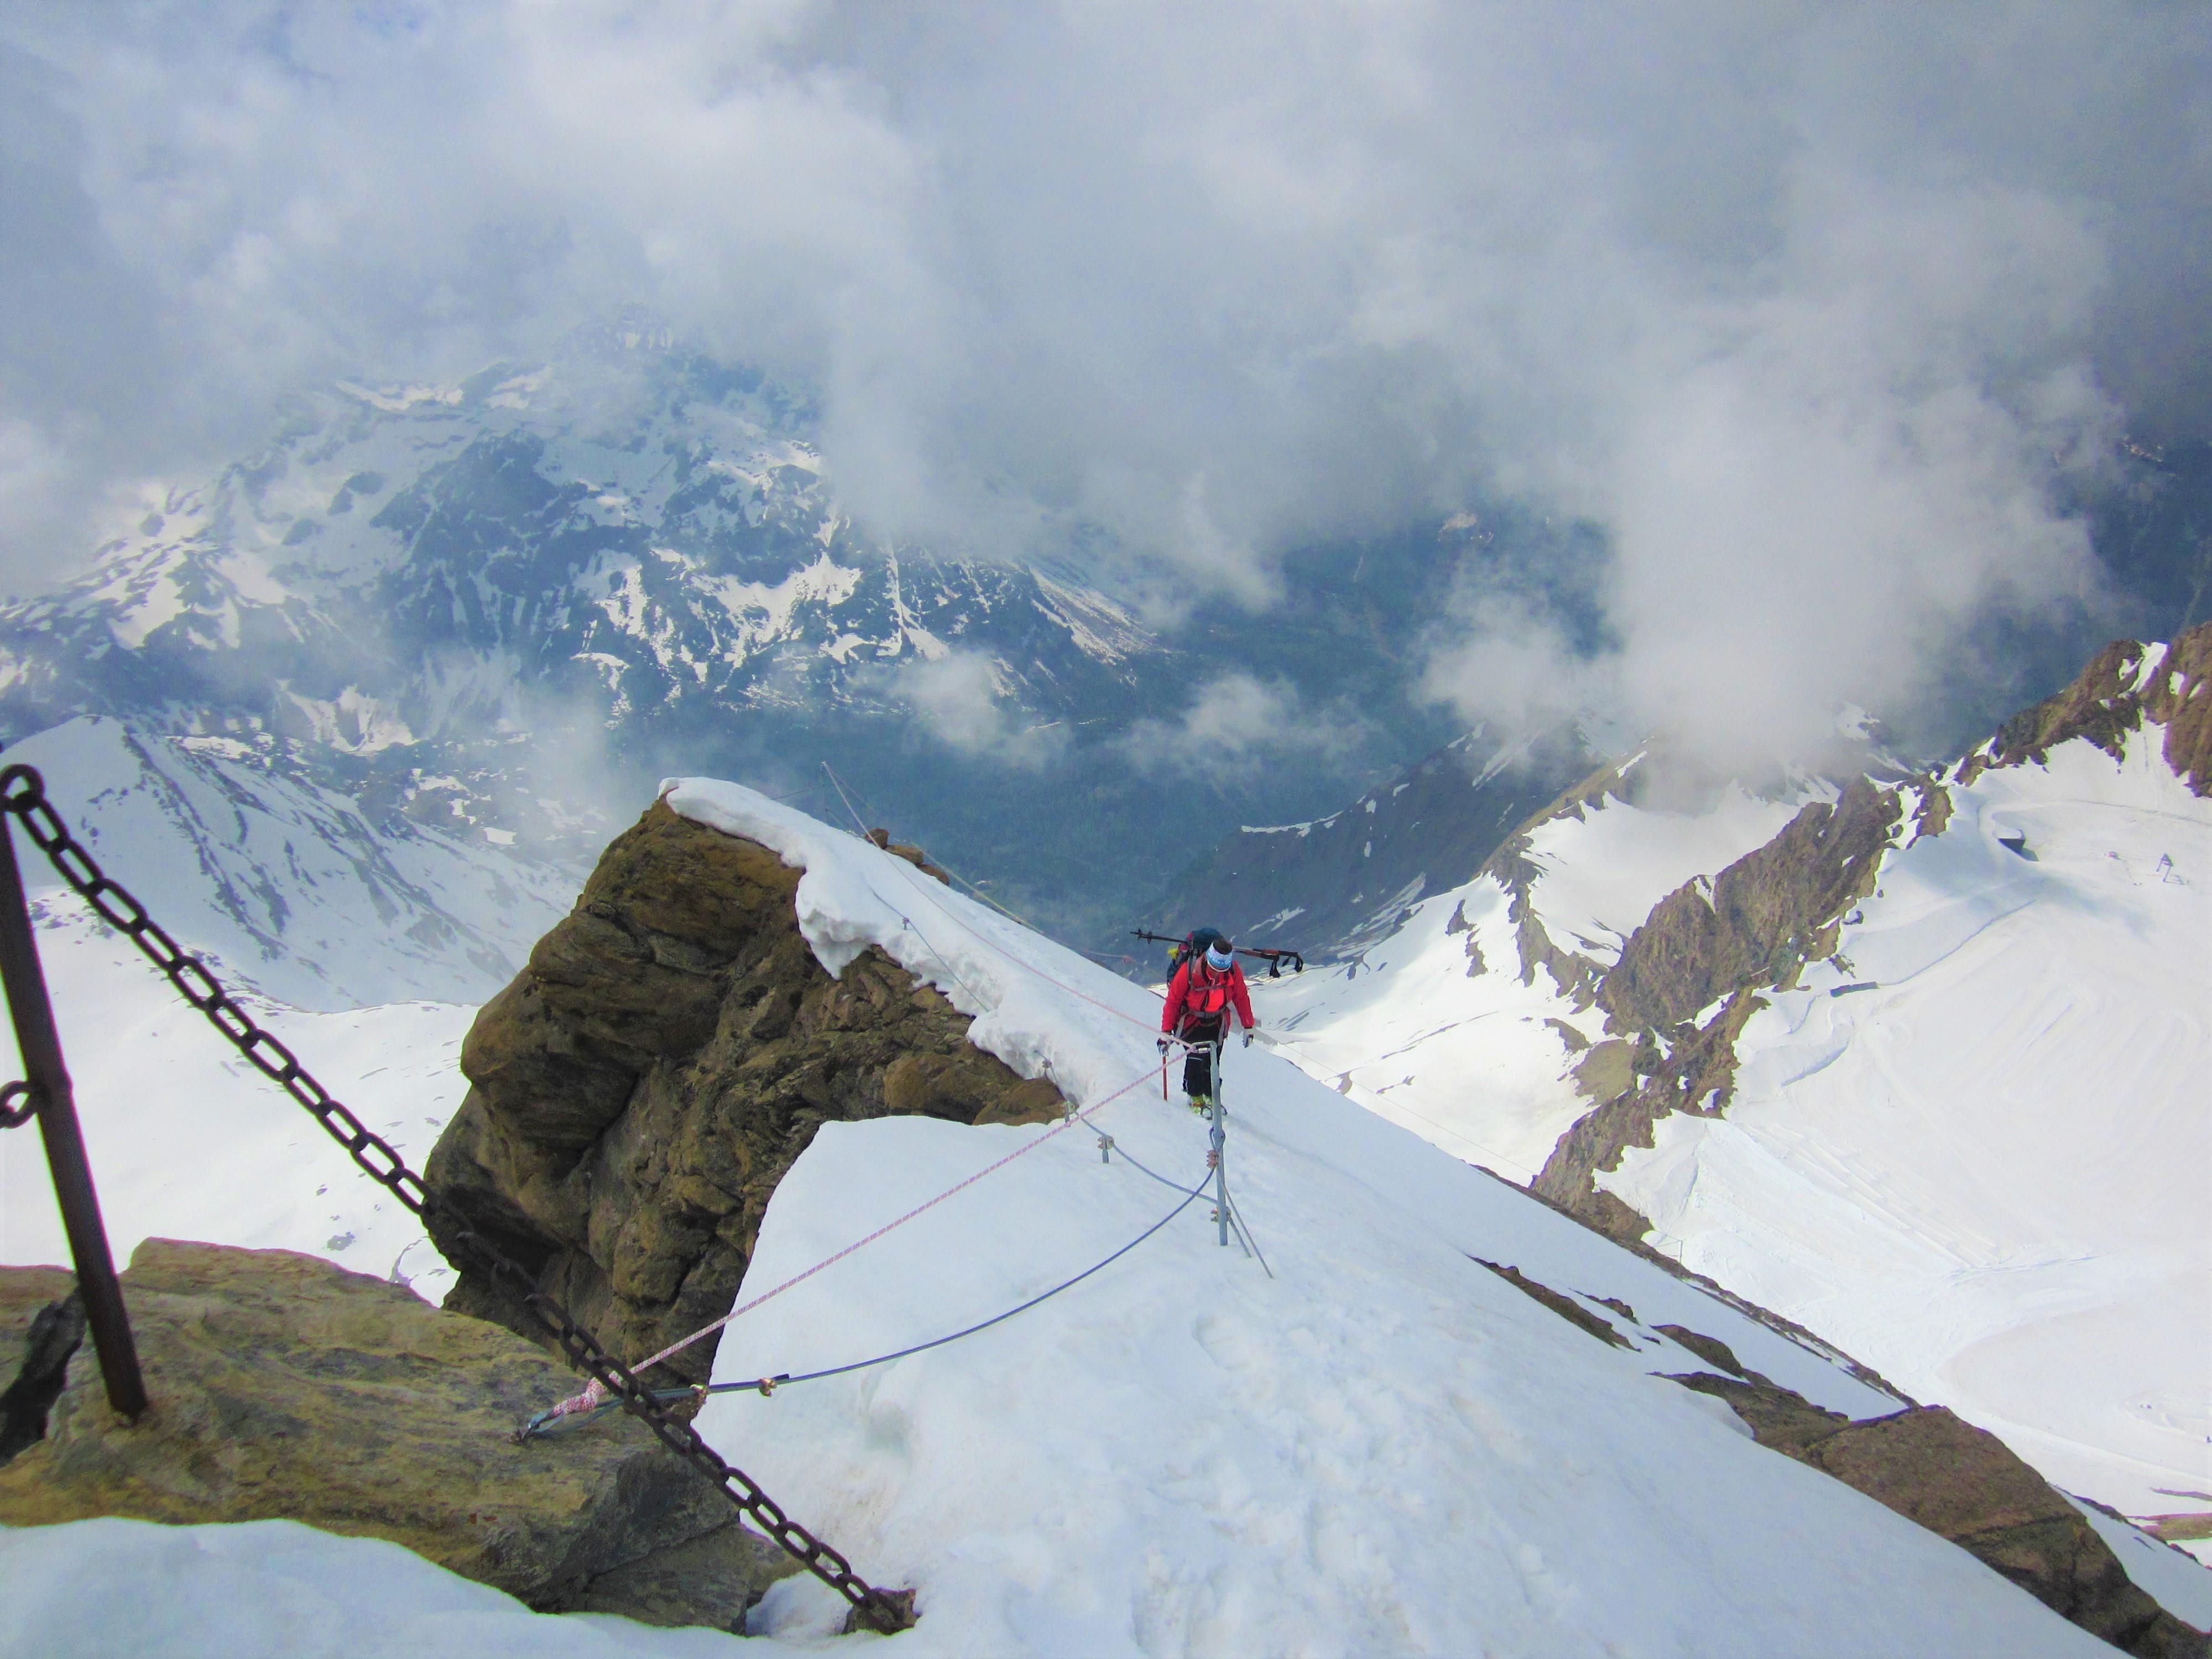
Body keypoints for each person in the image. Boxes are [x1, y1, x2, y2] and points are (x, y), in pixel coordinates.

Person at [1157, 927, 1257, 1113]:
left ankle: (1210, 1096)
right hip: (1192, 1020)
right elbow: (1173, 1001)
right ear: (1208, 960)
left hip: (1217, 1021)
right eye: (1215, 969)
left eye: (1222, 970)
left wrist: (1248, 1026)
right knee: (1197, 1059)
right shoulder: (1189, 971)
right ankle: (1195, 1098)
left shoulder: (1233, 971)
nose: (1218, 974)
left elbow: (1241, 997)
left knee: (1213, 1061)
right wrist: (1166, 1032)